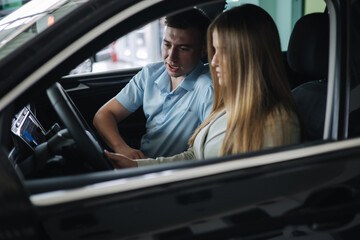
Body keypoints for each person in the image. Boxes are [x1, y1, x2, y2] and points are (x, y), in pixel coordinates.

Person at [105, 4, 303, 168]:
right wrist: (137, 167)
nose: (214, 61)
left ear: (248, 57)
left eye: (222, 51)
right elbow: (195, 156)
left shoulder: (276, 122)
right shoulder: (228, 106)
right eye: (213, 50)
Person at [93, 8, 213, 159]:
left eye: (183, 48)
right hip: (142, 162)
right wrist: (123, 149)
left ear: (203, 51)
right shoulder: (150, 74)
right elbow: (103, 115)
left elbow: (207, 152)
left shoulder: (207, 88)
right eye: (167, 45)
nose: (171, 57)